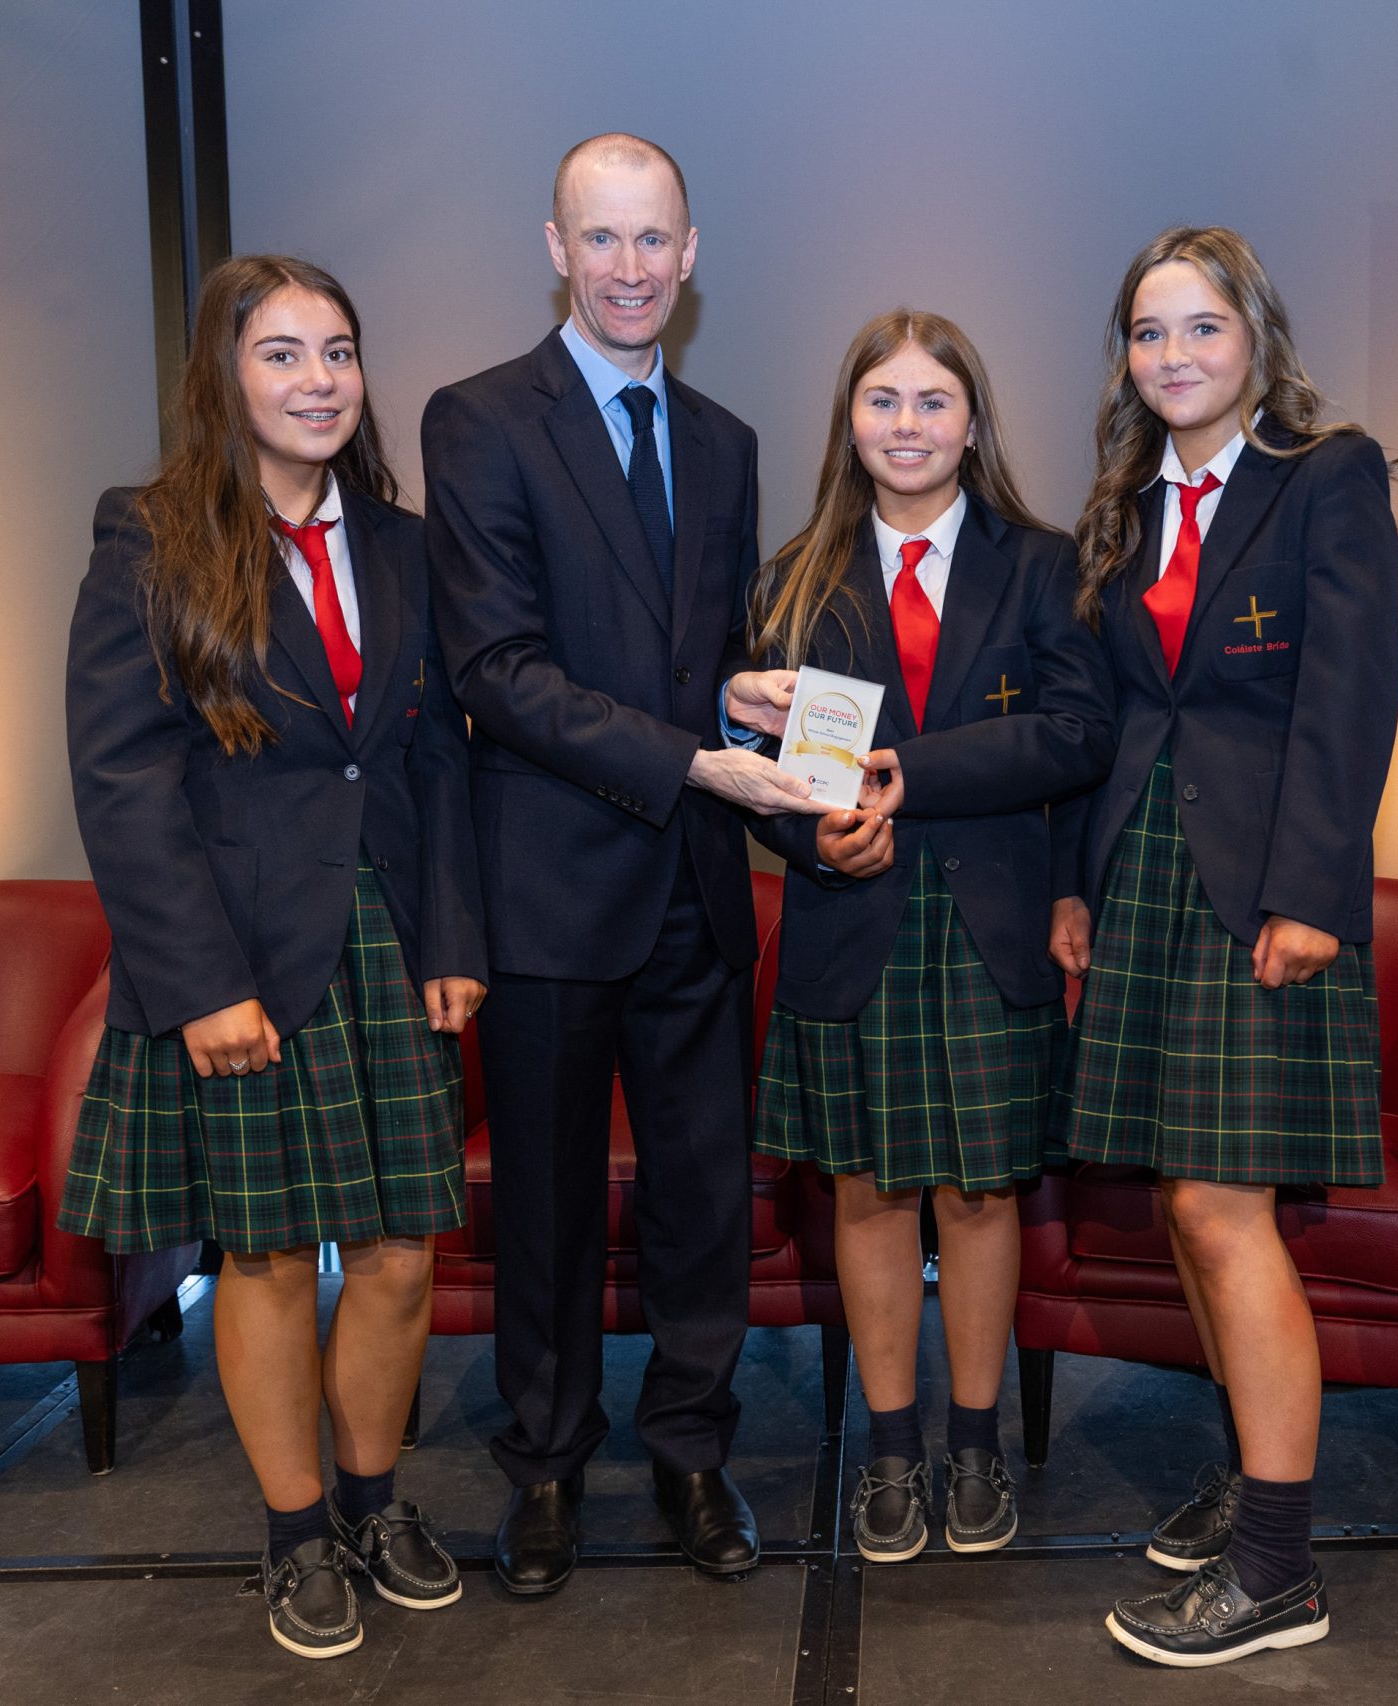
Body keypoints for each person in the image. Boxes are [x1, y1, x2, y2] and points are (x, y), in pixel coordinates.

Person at [62, 254, 486, 1661]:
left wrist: (450, 937)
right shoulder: (152, 539)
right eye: (285, 355)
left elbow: (432, 758)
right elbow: (124, 782)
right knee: (257, 1257)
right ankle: (296, 1530)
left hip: (385, 938)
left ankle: (373, 1501)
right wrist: (198, 985)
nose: (319, 382)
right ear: (225, 377)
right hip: (238, 953)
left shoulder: (405, 542)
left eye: (340, 353)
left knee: (401, 1256)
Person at [421, 133, 823, 1595]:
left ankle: (693, 1456)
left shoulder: (723, 440)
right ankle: (544, 1467)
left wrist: (743, 698)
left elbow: (691, 659)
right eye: (605, 240)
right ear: (555, 245)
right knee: (541, 1204)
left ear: (693, 253)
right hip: (545, 891)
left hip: (695, 888)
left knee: (703, 1197)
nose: (632, 269)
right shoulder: (476, 421)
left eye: (656, 241)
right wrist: (693, 754)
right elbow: (498, 668)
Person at [1050, 227, 1398, 1666]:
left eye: (1201, 327)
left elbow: (1350, 693)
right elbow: (1126, 718)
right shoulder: (1130, 504)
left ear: (1256, 335)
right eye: (1149, 332)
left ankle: (1276, 1569)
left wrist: (1312, 890)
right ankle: (1255, 1472)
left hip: (1266, 891)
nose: (1174, 355)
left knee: (1218, 1207)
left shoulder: (1330, 478)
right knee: (1192, 1210)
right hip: (1145, 881)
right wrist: (1081, 882)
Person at [732, 310, 1112, 1563]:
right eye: (883, 400)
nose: (908, 424)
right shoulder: (791, 577)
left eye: (933, 400)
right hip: (851, 920)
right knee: (868, 1191)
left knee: (981, 1195)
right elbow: (762, 765)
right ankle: (889, 1448)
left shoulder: (1045, 565)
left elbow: (1076, 734)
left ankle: (973, 1443)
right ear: (850, 419)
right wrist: (810, 842)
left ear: (972, 420)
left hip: (990, 929)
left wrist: (912, 771)